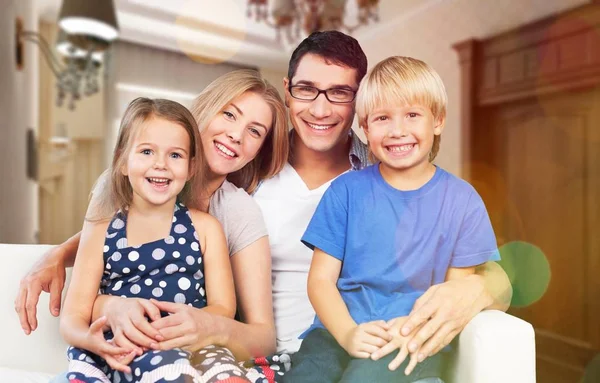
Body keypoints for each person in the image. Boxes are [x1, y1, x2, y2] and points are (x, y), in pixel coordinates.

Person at [17, 32, 511, 382]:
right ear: (290, 91)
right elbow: (150, 217)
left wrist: (477, 290)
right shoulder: (247, 175)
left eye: (340, 93)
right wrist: (62, 253)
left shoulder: (377, 175)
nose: (320, 108)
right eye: (306, 90)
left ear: (359, 104)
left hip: (333, 345)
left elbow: (486, 266)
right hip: (284, 357)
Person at [16, 69, 289, 382]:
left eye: (255, 131)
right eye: (229, 114)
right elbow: (99, 256)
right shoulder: (118, 188)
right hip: (122, 347)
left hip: (200, 349)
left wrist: (207, 325)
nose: (236, 135)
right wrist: (63, 256)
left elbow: (261, 335)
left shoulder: (235, 214)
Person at [283, 56, 500, 383]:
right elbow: (320, 281)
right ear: (366, 128)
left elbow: (454, 294)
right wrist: (348, 334)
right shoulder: (345, 191)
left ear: (438, 120)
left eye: (413, 115)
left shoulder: (462, 200)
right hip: (336, 333)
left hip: (409, 337)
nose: (398, 131)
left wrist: (407, 331)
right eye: (383, 118)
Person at [61, 97, 243, 382]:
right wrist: (90, 340)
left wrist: (182, 327)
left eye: (175, 155)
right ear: (122, 161)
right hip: (121, 347)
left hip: (190, 343)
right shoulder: (100, 229)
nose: (161, 165)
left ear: (191, 167)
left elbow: (224, 307)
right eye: (146, 151)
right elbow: (72, 317)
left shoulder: (206, 228)